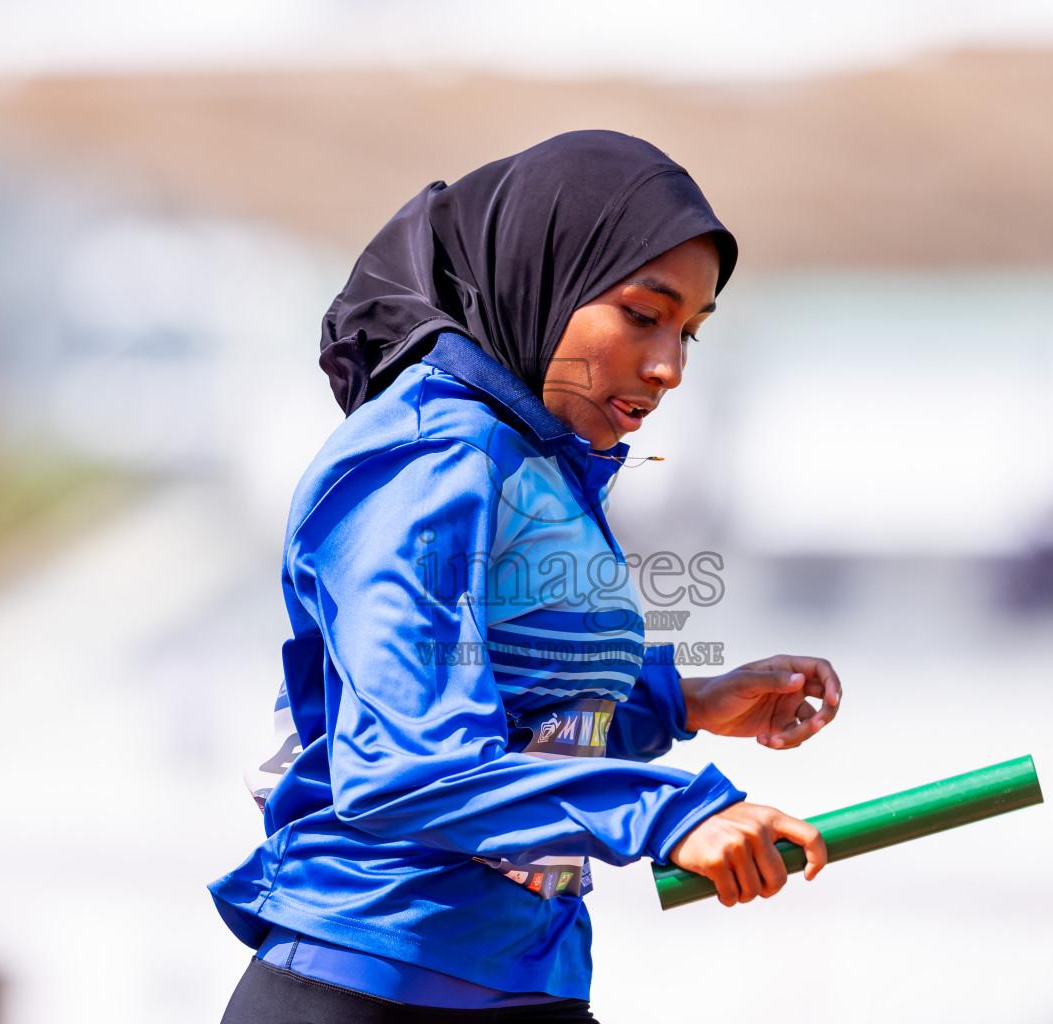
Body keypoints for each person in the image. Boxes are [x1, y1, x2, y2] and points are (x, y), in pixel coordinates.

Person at [211, 130, 843, 1024]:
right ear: (539, 278)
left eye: (690, 332)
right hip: (366, 986)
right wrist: (670, 816)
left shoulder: (533, 458)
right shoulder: (426, 455)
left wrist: (686, 703)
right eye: (641, 313)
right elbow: (409, 769)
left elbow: (521, 713)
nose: (667, 368)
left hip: (529, 982)